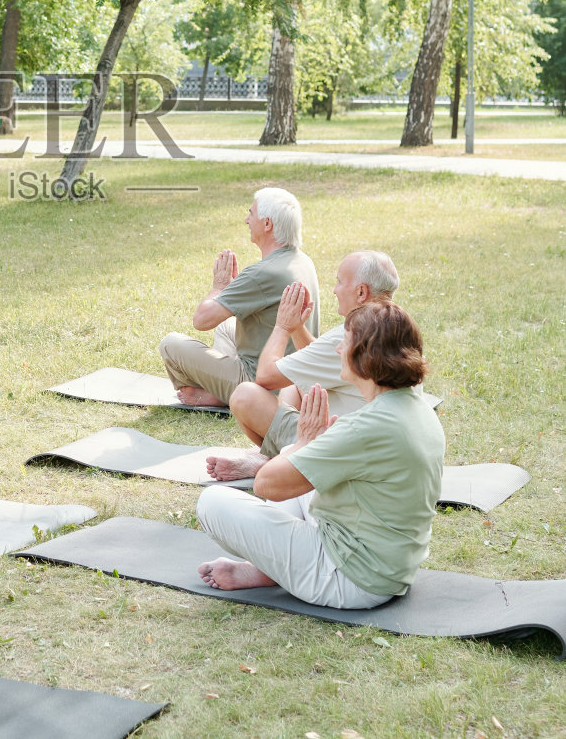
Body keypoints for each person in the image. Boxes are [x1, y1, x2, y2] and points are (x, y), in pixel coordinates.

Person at [196, 302, 444, 608]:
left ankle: (274, 568)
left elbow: (266, 485)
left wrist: (305, 442)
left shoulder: (363, 428)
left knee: (212, 502)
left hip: (350, 578)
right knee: (288, 453)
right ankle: (270, 567)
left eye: (347, 341)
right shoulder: (416, 408)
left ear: (365, 357)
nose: (339, 347)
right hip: (391, 566)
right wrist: (304, 447)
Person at [205, 249, 400, 482]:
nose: (334, 290)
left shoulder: (351, 334)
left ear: (361, 292)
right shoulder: (396, 326)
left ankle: (274, 461)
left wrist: (283, 327)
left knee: (245, 395)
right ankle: (270, 457)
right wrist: (298, 328)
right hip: (378, 442)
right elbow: (317, 359)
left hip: (343, 448)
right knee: (297, 382)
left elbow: (265, 377)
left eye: (339, 282)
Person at [159, 188, 319, 408]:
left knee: (170, 344)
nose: (246, 220)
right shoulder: (303, 261)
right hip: (293, 377)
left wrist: (219, 287)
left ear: (267, 224)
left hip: (262, 384)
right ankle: (221, 391)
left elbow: (202, 320)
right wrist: (235, 294)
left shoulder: (262, 273)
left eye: (251, 214)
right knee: (226, 327)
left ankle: (227, 395)